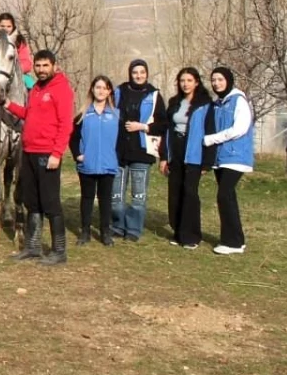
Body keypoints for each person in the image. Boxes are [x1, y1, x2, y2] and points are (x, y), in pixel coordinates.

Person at [2, 50, 74, 264]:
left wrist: (57, 153)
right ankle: (32, 247)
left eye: (45, 66)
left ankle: (59, 251)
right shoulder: (35, 89)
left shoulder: (61, 89)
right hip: (30, 152)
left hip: (47, 153)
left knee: (50, 202)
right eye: (38, 66)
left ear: (54, 65)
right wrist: (8, 105)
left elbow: (65, 124)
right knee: (31, 202)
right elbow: (30, 115)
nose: (41, 70)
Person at [113, 59, 168, 242]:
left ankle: (133, 230)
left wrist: (142, 126)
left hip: (141, 153)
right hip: (119, 151)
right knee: (116, 195)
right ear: (130, 73)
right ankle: (117, 226)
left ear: (147, 74)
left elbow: (163, 124)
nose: (138, 76)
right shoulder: (119, 92)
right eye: (135, 72)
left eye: (142, 72)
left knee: (138, 196)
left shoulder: (154, 95)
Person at [203, 67, 253, 255]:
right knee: (228, 197)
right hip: (221, 157)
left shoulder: (238, 101)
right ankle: (237, 240)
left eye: (220, 79)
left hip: (235, 156)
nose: (216, 83)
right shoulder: (217, 103)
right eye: (213, 80)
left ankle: (231, 242)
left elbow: (239, 128)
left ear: (229, 80)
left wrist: (211, 139)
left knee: (224, 195)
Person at [160, 68, 210, 250]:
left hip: (194, 153)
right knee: (175, 193)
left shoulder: (204, 104)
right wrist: (164, 157)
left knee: (190, 194)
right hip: (176, 151)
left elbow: (210, 131)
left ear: (197, 82)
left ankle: (191, 236)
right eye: (182, 80)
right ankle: (178, 231)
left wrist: (207, 162)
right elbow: (167, 130)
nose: (185, 84)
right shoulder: (174, 102)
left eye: (189, 80)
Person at [70, 76, 120, 247]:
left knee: (105, 199)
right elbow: (73, 138)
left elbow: (121, 140)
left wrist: (116, 157)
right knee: (87, 198)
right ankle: (85, 232)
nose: (100, 91)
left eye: (104, 88)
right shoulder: (83, 114)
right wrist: (78, 155)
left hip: (108, 165)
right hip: (88, 164)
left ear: (109, 91)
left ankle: (105, 232)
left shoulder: (116, 115)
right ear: (92, 89)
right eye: (97, 87)